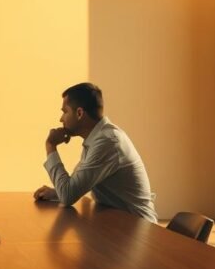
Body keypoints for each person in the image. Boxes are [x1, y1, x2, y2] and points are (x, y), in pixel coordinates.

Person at [34, 82, 157, 223]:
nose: (61, 119)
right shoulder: (96, 139)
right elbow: (75, 186)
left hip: (140, 231)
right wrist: (56, 193)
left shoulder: (108, 142)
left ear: (79, 113)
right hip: (118, 226)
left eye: (65, 111)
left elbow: (68, 195)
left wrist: (50, 145)